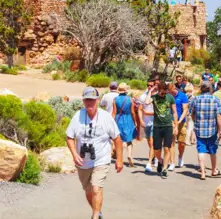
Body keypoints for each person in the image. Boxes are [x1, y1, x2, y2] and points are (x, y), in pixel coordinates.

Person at [66, 87, 123, 219]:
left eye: (92, 100)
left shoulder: (106, 117)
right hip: (82, 161)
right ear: (83, 101)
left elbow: (117, 138)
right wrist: (74, 154)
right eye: (87, 100)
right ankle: (98, 210)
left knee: (96, 187)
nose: (89, 103)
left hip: (101, 159)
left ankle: (95, 215)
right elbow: (69, 137)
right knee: (88, 191)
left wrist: (119, 159)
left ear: (98, 100)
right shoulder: (78, 116)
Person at [190, 82, 221, 180]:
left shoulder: (195, 99)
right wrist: (220, 129)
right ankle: (213, 170)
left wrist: (195, 121)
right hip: (212, 129)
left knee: (201, 150)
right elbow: (219, 116)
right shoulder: (216, 99)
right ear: (210, 89)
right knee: (212, 150)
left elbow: (191, 113)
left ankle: (203, 173)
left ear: (201, 89)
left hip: (199, 129)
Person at [151, 81, 178, 178]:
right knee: (156, 149)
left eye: (165, 91)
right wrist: (151, 91)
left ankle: (165, 168)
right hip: (157, 126)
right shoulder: (154, 97)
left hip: (168, 125)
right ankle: (160, 161)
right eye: (162, 92)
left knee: (167, 148)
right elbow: (145, 102)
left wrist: (176, 126)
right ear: (158, 90)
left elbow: (174, 112)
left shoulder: (170, 97)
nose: (164, 94)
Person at [112, 83, 137, 167]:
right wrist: (135, 121)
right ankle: (129, 155)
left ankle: (120, 158)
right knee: (129, 139)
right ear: (126, 90)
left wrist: (112, 122)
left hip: (119, 119)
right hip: (128, 119)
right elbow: (133, 112)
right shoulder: (130, 99)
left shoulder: (115, 99)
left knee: (120, 140)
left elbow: (114, 112)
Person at [137, 80, 157, 172]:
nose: (150, 87)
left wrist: (149, 113)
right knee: (149, 142)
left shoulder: (158, 96)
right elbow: (140, 109)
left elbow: (159, 111)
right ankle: (155, 155)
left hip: (156, 122)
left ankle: (149, 163)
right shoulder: (143, 96)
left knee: (152, 142)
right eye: (148, 85)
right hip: (146, 122)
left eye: (151, 85)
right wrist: (141, 120)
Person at [167, 82, 189, 168]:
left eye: (171, 91)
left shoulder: (182, 96)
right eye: (169, 91)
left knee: (181, 143)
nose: (170, 93)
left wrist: (179, 120)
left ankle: (180, 156)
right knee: (171, 142)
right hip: (171, 122)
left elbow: (185, 109)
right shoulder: (167, 96)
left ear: (174, 88)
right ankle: (172, 162)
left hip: (181, 122)